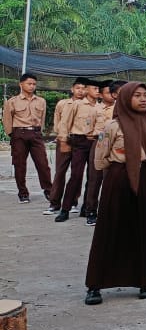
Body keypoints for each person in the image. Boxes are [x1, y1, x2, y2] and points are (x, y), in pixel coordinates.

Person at [83, 82, 146, 305]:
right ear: (126, 98)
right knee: (109, 230)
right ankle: (95, 285)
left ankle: (144, 281)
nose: (143, 99)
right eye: (136, 95)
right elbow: (100, 158)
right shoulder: (113, 126)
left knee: (143, 229)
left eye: (145, 95)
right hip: (118, 180)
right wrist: (121, 170)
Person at [55, 77, 101, 222]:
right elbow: (65, 123)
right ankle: (65, 209)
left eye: (99, 89)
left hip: (95, 143)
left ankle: (88, 210)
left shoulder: (100, 107)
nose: (97, 92)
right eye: (95, 89)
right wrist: (63, 141)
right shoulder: (77, 105)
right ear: (87, 90)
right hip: (79, 142)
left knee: (93, 178)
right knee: (76, 176)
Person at [3, 72, 52, 204]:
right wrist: (12, 135)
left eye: (34, 84)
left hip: (35, 134)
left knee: (43, 164)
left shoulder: (41, 101)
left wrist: (38, 132)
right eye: (29, 83)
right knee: (19, 165)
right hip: (19, 135)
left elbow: (42, 119)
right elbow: (7, 119)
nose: (32, 86)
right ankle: (23, 193)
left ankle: (49, 191)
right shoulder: (12, 101)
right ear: (21, 84)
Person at [46, 78, 87, 214]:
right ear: (72, 89)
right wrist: (61, 138)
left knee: (77, 173)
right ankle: (54, 203)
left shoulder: (88, 106)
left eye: (83, 88)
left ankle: (73, 202)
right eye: (78, 88)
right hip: (64, 140)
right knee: (60, 171)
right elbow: (57, 122)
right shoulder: (62, 104)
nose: (80, 91)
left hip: (80, 142)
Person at [82, 81, 118, 224]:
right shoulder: (95, 109)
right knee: (95, 179)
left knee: (112, 179)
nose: (111, 95)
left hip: (116, 145)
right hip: (99, 142)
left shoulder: (120, 108)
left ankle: (109, 211)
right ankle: (91, 210)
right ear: (102, 94)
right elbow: (88, 128)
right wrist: (98, 136)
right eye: (108, 93)